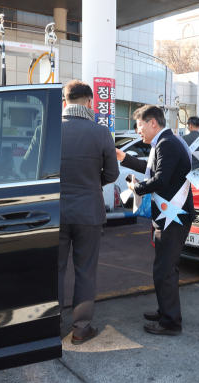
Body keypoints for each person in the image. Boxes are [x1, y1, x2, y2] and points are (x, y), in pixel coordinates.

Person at [116, 105, 194, 336]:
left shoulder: (166, 143)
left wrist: (136, 187)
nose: (137, 130)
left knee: (165, 269)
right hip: (170, 214)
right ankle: (165, 311)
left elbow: (159, 179)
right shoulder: (166, 141)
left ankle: (170, 322)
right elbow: (153, 168)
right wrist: (126, 158)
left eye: (139, 125)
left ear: (153, 123)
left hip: (173, 215)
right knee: (164, 266)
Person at [58, 79, 119, 345]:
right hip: (89, 213)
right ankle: (81, 329)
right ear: (90, 103)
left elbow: (32, 168)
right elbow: (113, 173)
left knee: (54, 271)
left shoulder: (49, 130)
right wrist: (93, 184)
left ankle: (50, 327)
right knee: (85, 271)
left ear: (64, 103)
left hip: (54, 213)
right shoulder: (101, 133)